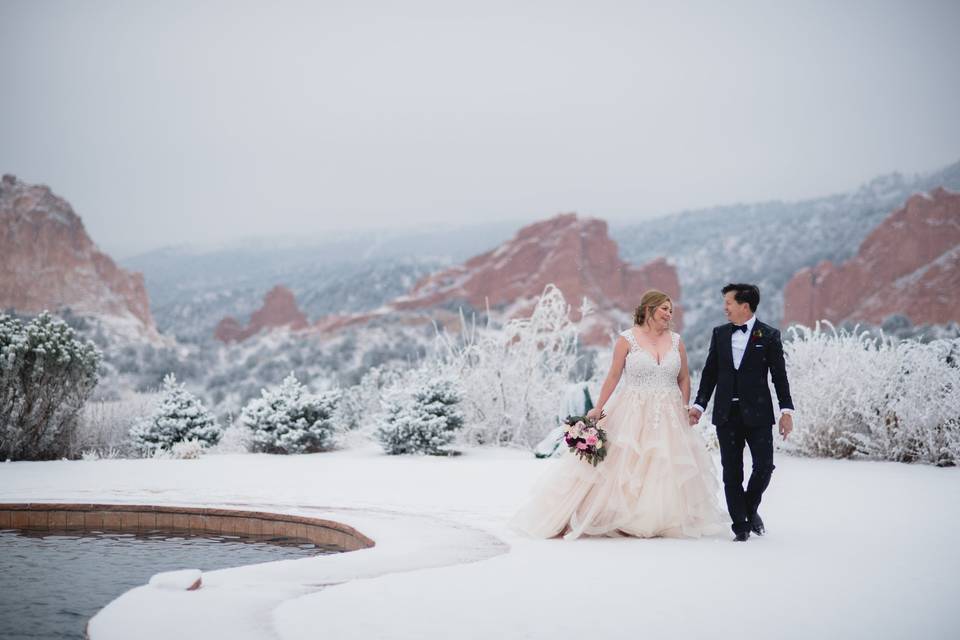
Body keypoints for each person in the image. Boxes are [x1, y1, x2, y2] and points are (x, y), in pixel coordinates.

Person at [509, 290, 728, 539]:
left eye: (670, 310)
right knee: (625, 465)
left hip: (669, 412)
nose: (669, 313)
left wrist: (685, 405)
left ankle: (658, 517)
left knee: (665, 464)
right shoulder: (627, 339)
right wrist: (598, 407)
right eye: (664, 308)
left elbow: (684, 376)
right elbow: (613, 376)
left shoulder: (677, 341)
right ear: (649, 309)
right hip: (632, 409)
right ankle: (617, 516)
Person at [688, 283, 794, 542]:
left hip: (758, 415)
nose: (725, 308)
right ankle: (740, 526)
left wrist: (786, 411)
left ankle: (748, 509)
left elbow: (779, 376)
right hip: (726, 414)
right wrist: (699, 405)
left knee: (764, 467)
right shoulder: (720, 333)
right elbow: (710, 372)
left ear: (744, 306)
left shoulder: (769, 335)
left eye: (728, 303)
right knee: (731, 471)